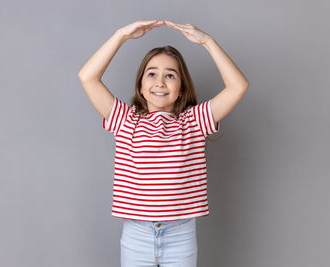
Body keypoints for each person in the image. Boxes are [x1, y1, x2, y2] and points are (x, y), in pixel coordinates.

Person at [78, 19, 249, 267]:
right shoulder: (126, 120)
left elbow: (238, 86)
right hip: (136, 236)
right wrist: (121, 35)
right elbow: (87, 77)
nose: (160, 82)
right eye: (152, 74)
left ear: (181, 89)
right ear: (141, 85)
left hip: (180, 235)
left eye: (170, 75)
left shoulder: (194, 121)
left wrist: (208, 42)